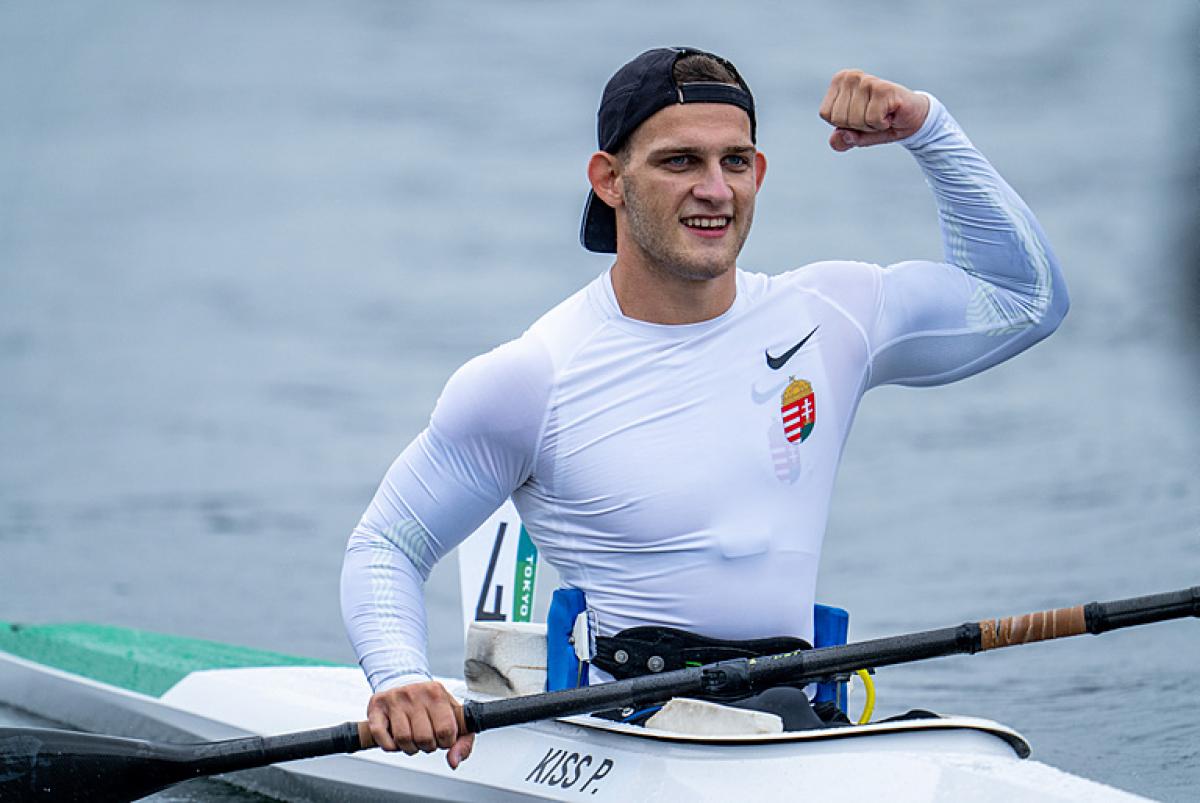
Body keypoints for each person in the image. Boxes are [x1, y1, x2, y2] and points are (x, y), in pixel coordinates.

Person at [340, 47, 1067, 767]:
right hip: (629, 735)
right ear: (609, 180)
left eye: (736, 162)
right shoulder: (533, 375)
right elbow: (388, 546)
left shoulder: (833, 315)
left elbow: (1025, 300)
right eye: (680, 161)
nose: (716, 189)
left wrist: (928, 130)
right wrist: (402, 678)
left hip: (797, 719)